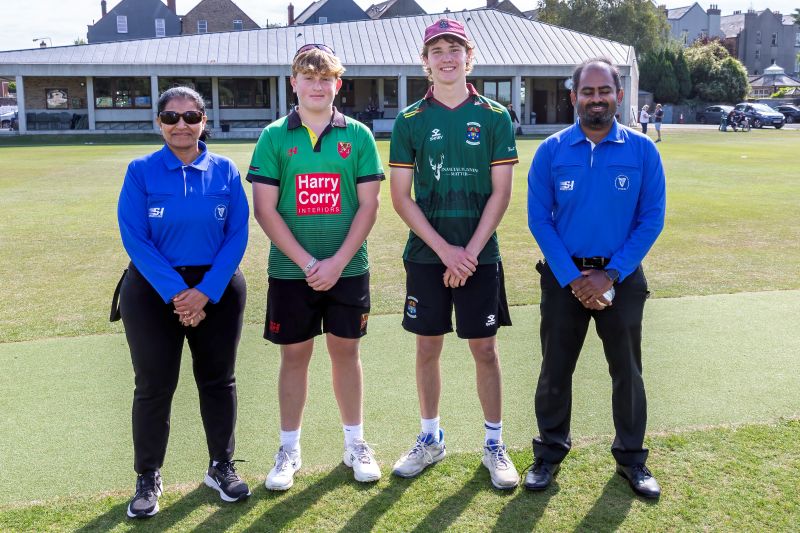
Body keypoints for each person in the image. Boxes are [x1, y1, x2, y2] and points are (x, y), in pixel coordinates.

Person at [526, 58, 666, 499]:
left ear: (618, 96)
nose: (596, 99)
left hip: (620, 278)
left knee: (627, 372)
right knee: (555, 370)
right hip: (563, 278)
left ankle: (632, 458)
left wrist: (610, 274)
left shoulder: (642, 150)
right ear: (574, 97)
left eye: (604, 90)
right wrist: (575, 279)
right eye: (587, 91)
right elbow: (539, 220)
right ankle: (548, 454)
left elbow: (651, 219)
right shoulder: (551, 150)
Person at [389, 18, 520, 490]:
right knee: (428, 346)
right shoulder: (409, 120)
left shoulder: (495, 116)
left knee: (484, 348)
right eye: (437, 50)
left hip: (480, 255)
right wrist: (446, 251)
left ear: (470, 56)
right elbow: (400, 197)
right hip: (428, 255)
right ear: (425, 61)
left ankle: (494, 444)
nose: (447, 57)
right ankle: (430, 438)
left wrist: (469, 254)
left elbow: (501, 194)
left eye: (455, 48)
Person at [248, 43, 384, 490]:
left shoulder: (358, 136)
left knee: (346, 353)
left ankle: (355, 444)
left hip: (348, 268)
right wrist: (309, 263)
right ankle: (289, 449)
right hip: (292, 273)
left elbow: (369, 205)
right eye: (309, 78)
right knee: (294, 356)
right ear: (294, 83)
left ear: (337, 84)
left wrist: (337, 262)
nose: (317, 86)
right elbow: (264, 209)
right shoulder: (273, 137)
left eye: (326, 78)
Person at [117, 86, 251, 518]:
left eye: (191, 116)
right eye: (171, 117)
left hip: (217, 288)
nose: (181, 125)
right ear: (159, 122)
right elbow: (134, 237)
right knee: (154, 385)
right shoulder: (140, 170)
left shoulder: (225, 170)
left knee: (218, 381)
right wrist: (179, 293)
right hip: (153, 291)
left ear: (203, 122)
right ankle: (148, 475)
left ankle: (220, 466)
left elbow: (238, 234)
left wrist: (205, 292)